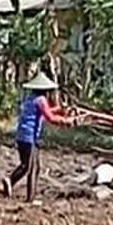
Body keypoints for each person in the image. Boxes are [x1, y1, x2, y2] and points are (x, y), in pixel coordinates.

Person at [6, 71, 73, 200]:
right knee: (32, 168)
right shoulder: (41, 100)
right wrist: (66, 121)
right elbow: (50, 117)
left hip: (23, 136)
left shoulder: (31, 98)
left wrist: (60, 109)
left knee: (27, 166)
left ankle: (10, 181)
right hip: (29, 137)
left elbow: (44, 112)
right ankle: (30, 199)